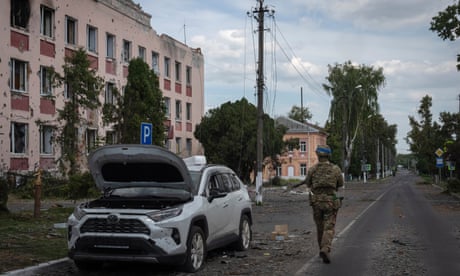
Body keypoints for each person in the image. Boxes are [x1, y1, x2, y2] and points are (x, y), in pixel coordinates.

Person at [304, 144, 344, 263]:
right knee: (329, 227)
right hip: (330, 202)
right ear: (328, 155)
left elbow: (308, 184)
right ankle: (325, 248)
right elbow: (340, 184)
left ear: (317, 155)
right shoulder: (335, 169)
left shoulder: (312, 169)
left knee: (320, 227)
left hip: (316, 202)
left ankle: (321, 249)